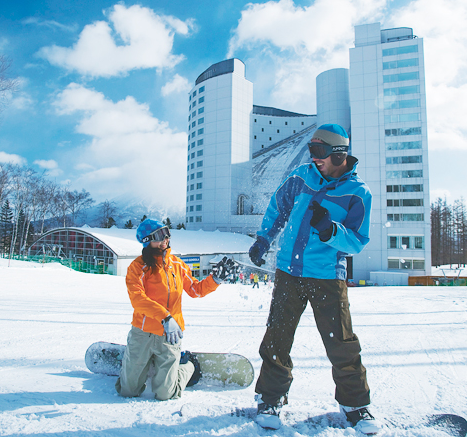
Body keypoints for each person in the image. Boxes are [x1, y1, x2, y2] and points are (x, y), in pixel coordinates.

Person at [248, 123, 380, 434]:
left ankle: (355, 405)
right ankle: (271, 398)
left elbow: (358, 241)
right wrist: (264, 239)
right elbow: (277, 209)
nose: (314, 158)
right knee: (277, 336)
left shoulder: (358, 193)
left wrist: (331, 231)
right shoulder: (301, 177)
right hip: (289, 272)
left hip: (326, 277)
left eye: (319, 152)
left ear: (339, 154)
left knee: (341, 343)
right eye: (311, 150)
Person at [115, 219, 231, 400]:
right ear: (147, 241)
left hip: (170, 335)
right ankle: (134, 362)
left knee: (165, 394)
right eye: (159, 236)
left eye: (166, 233)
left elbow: (195, 290)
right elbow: (138, 300)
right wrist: (165, 317)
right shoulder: (137, 268)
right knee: (128, 391)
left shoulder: (177, 265)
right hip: (143, 332)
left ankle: (188, 365)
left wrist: (215, 280)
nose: (165, 239)